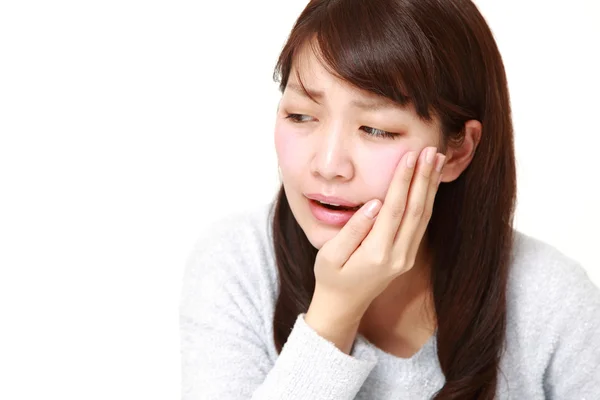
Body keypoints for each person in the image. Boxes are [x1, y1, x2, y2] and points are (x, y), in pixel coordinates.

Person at [180, 0, 600, 398]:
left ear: (457, 150)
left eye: (376, 129)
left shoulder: (550, 300)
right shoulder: (237, 265)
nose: (328, 165)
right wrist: (334, 312)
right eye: (301, 116)